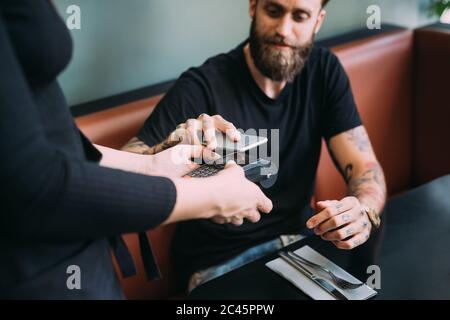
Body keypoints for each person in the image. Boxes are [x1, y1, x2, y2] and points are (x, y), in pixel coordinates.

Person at [0, 0, 272, 299]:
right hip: (35, 276)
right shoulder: (202, 82)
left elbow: (51, 147)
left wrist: (151, 166)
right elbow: (35, 182)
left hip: (83, 264)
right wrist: (212, 196)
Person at [122, 0, 387, 293]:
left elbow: (365, 166)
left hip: (301, 248)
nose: (283, 30)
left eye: (299, 16)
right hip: (220, 264)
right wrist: (170, 146)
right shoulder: (202, 85)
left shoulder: (324, 72)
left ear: (318, 21)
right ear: (253, 7)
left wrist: (363, 211)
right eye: (273, 11)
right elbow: (124, 169)